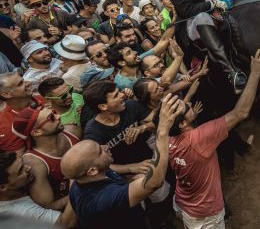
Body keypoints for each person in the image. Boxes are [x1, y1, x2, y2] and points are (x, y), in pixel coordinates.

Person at [164, 49, 260, 229]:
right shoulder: (200, 138)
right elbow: (240, 113)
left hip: (182, 201)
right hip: (205, 215)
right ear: (181, 124)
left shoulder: (164, 136)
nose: (188, 103)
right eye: (186, 106)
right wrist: (255, 74)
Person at [60, 89, 182, 229]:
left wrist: (131, 176)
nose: (105, 147)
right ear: (92, 170)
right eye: (100, 150)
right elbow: (154, 182)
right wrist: (163, 131)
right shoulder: (103, 198)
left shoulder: (84, 179)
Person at [164, 0, 246, 94]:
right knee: (202, 17)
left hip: (216, 17)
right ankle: (230, 71)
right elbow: (186, 9)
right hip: (192, 24)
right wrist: (212, 3)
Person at [13, 106, 79, 209]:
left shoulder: (72, 130)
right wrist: (83, 187)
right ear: (36, 132)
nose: (58, 116)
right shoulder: (34, 162)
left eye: (54, 112)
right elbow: (50, 206)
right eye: (51, 117)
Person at [0, 151, 77, 228]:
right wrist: (75, 178)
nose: (28, 167)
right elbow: (65, 223)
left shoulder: (13, 191)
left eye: (23, 164)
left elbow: (45, 209)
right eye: (20, 171)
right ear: (3, 187)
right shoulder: (21, 212)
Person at [0, 72, 44, 153]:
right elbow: (20, 160)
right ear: (6, 94)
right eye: (20, 84)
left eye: (24, 80)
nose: (28, 83)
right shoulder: (5, 125)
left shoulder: (45, 99)